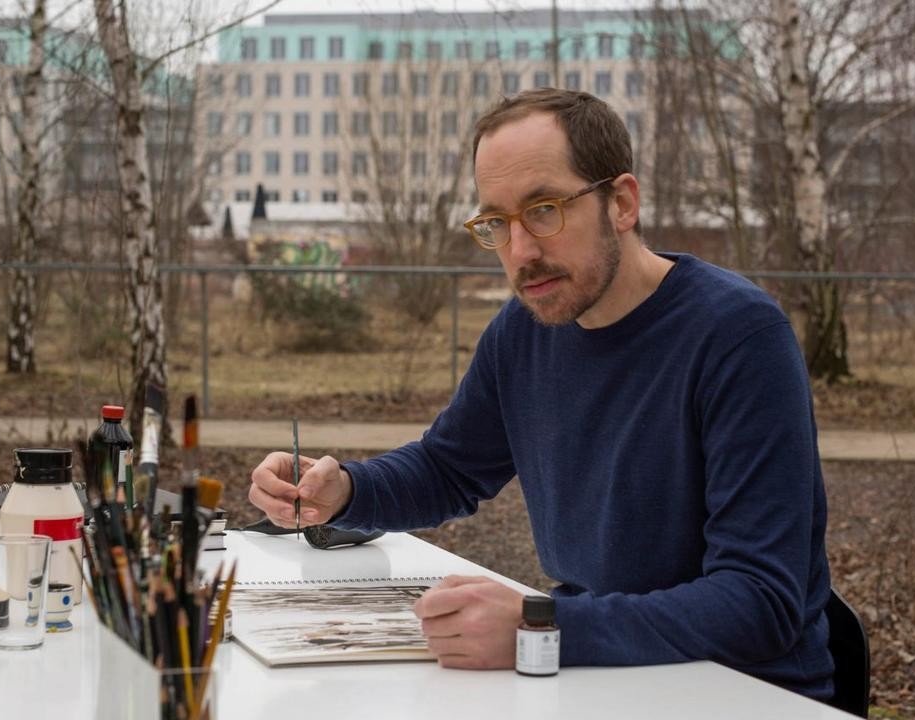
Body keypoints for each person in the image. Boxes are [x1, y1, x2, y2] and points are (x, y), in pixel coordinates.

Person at [248, 88, 834, 701]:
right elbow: (449, 468)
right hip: (597, 680)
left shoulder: (738, 336)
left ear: (622, 203)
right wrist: (344, 489)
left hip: (746, 693)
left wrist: (542, 628)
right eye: (497, 223)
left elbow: (759, 601)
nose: (521, 251)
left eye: (544, 209)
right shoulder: (525, 330)